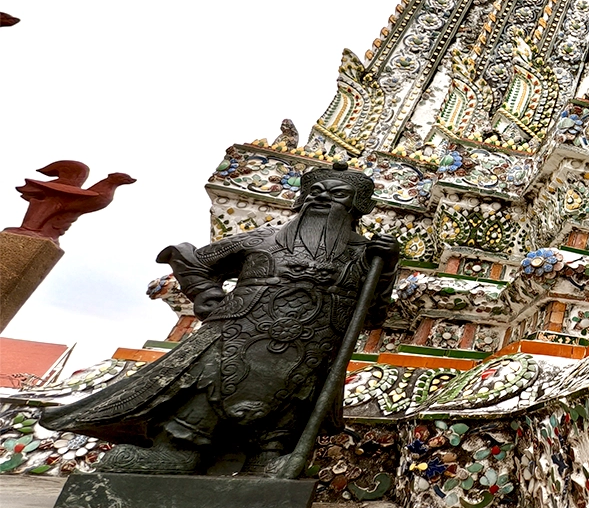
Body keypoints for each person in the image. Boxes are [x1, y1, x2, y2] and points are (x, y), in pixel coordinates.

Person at [42, 161, 399, 476]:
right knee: (211, 385)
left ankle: (267, 457)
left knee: (294, 395)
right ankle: (179, 451)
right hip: (237, 333)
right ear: (300, 199)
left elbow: (374, 315)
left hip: (312, 345)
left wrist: (385, 268)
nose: (322, 199)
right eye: (315, 192)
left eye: (336, 195)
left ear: (358, 206)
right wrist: (212, 302)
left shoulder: (366, 256)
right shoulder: (264, 238)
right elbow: (192, 260)